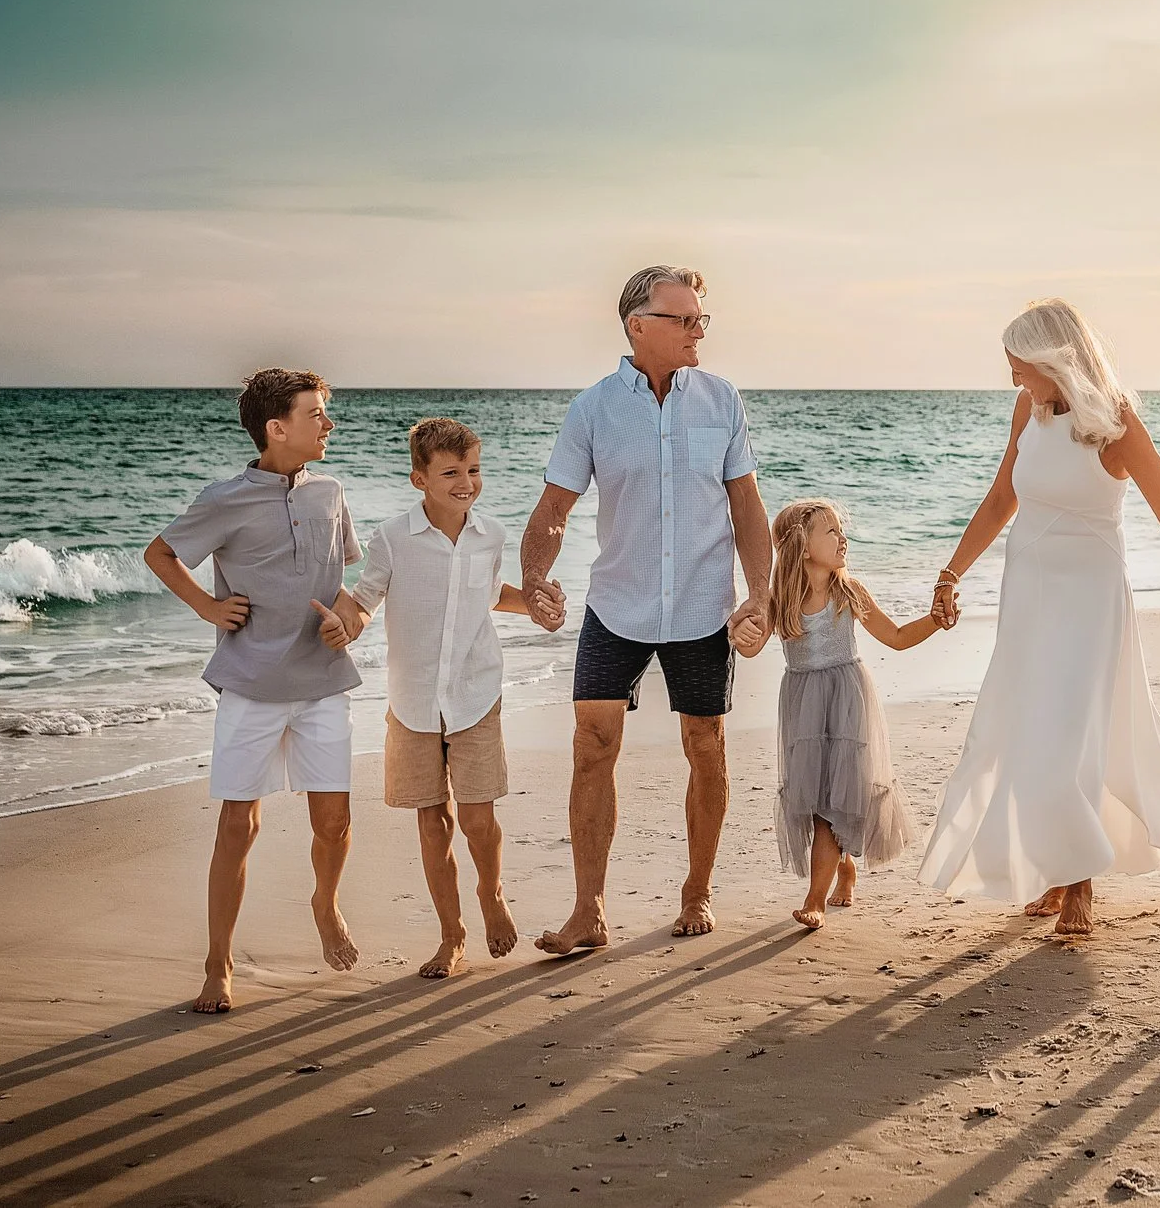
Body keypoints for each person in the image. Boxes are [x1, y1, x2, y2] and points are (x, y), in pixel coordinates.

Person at [917, 299, 1160, 937]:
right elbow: (1001, 498)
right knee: (1030, 729)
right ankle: (1055, 865)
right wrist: (951, 571)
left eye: (1020, 366)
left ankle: (1079, 885)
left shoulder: (1115, 423)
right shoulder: (1029, 411)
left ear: (1054, 360)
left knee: (1072, 735)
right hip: (1029, 593)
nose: (1014, 379)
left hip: (1090, 599)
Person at [521, 266, 773, 953]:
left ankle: (697, 891)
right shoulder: (594, 408)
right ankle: (588, 911)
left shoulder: (722, 400)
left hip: (701, 605)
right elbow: (553, 510)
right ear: (640, 325)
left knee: (707, 748)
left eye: (701, 319)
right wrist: (536, 577)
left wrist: (761, 592)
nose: (698, 330)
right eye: (684, 319)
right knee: (591, 748)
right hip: (618, 603)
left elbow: (747, 505)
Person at [142, 368, 362, 1015]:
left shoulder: (330, 493)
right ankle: (219, 963)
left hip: (322, 682)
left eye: (326, 412)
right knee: (239, 825)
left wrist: (351, 623)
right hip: (250, 683)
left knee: (336, 820)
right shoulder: (225, 498)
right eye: (315, 413)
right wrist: (209, 609)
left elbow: (341, 590)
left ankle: (325, 901)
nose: (327, 423)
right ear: (277, 427)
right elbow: (160, 554)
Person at [319, 418, 561, 980]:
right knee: (433, 822)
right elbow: (365, 600)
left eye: (473, 470)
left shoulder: (493, 535)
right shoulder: (392, 538)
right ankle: (451, 936)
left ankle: (492, 892)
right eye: (450, 472)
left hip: (476, 693)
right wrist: (345, 626)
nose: (465, 482)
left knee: (479, 819)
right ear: (418, 478)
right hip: (414, 701)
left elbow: (491, 595)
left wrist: (537, 605)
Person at [739, 499, 936, 931]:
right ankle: (844, 866)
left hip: (848, 700)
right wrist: (740, 634)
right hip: (803, 705)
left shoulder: (849, 592)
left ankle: (816, 898)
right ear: (803, 547)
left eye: (840, 531)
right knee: (817, 797)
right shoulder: (781, 600)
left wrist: (936, 620)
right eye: (831, 532)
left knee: (834, 801)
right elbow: (751, 648)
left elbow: (898, 637)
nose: (842, 538)